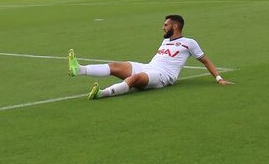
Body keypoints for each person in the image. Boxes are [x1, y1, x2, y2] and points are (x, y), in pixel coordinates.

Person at [68, 14, 232, 100]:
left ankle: (101, 94)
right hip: (148, 67)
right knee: (116, 65)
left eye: (166, 25)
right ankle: (79, 69)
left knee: (135, 78)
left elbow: (205, 60)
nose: (163, 27)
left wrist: (219, 79)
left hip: (163, 76)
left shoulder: (189, 43)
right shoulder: (166, 41)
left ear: (175, 26)